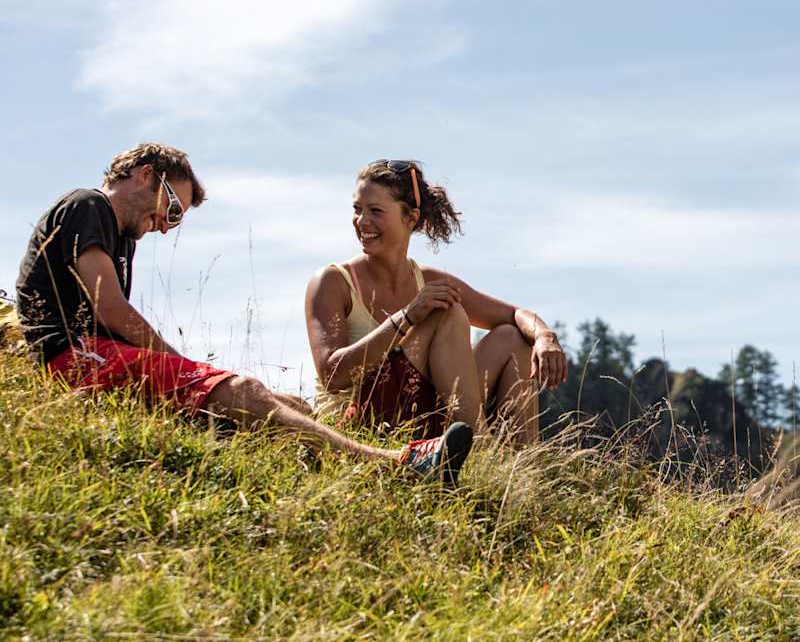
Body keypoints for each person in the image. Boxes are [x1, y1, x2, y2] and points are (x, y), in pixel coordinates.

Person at [14, 144, 472, 485]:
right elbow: (111, 308)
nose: (167, 225)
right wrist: (190, 369)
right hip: (73, 358)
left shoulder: (119, 238)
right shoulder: (88, 205)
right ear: (144, 175)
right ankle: (396, 465)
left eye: (177, 219)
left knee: (284, 407)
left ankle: (337, 470)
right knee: (244, 392)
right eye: (171, 207)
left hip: (99, 357)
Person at [305, 159, 567, 446]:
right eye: (357, 209)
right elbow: (333, 375)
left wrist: (545, 336)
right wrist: (407, 318)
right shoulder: (333, 281)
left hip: (420, 415)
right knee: (446, 311)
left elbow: (515, 314)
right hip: (355, 432)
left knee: (511, 338)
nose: (362, 221)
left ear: (411, 218)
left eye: (375, 211)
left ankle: (523, 471)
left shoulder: (426, 280)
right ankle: (480, 449)